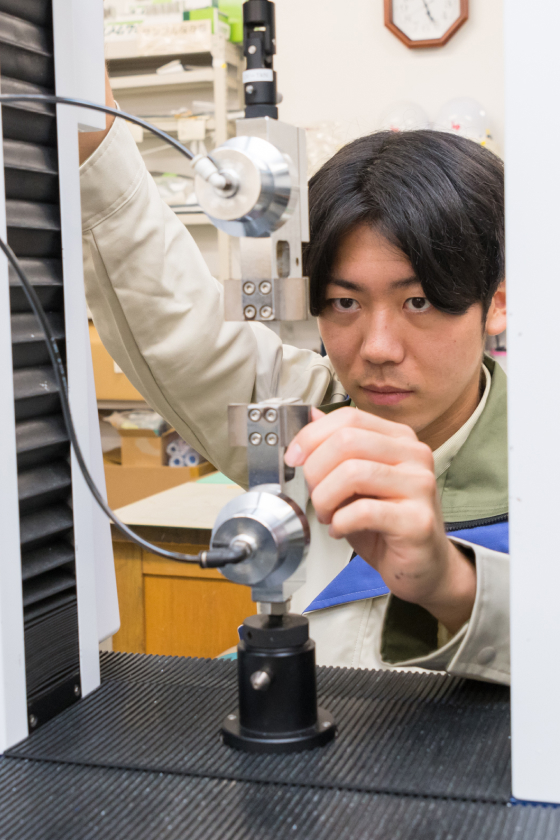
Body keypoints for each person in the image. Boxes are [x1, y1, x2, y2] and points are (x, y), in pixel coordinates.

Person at [80, 76, 508, 683]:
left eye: (418, 302)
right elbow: (172, 315)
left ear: (496, 304)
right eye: (344, 302)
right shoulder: (307, 416)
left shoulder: (537, 467)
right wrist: (83, 110)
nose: (377, 349)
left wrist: (453, 585)